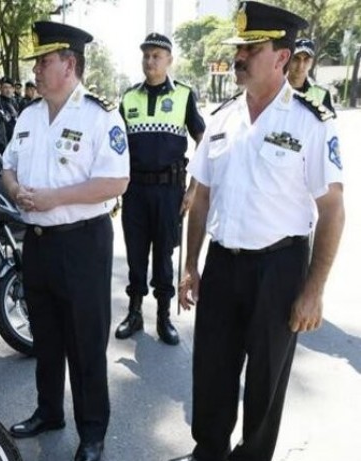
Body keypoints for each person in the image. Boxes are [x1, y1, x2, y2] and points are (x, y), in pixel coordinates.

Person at [176, 3, 344, 460]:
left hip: (280, 267)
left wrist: (314, 290)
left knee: (266, 381)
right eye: (240, 48)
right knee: (211, 370)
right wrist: (190, 264)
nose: (240, 56)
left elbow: (332, 210)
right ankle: (209, 451)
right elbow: (201, 197)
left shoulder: (310, 122)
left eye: (252, 49)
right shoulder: (222, 118)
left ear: (282, 58)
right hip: (222, 263)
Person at [1, 21, 129, 461]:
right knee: (47, 337)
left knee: (85, 342)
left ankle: (92, 433)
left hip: (82, 244)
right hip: (38, 243)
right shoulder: (28, 115)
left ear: (69, 64)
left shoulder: (99, 115)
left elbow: (116, 181)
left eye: (44, 61)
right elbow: (8, 166)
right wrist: (15, 189)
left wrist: (56, 197)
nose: (35, 69)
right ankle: (49, 411)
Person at [115, 33, 205, 346]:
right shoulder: (129, 97)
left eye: (156, 56)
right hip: (135, 191)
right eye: (146, 55)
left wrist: (193, 188)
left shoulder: (183, 95)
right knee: (136, 254)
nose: (150, 61)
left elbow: (203, 140)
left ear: (169, 60)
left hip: (169, 192)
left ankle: (163, 316)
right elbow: (114, 145)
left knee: (164, 256)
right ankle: (135, 312)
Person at [288, 38, 336, 113]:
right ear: (287, 60)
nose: (300, 65)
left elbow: (328, 120)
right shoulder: (276, 89)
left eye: (306, 59)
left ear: (311, 62)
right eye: (296, 59)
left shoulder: (321, 94)